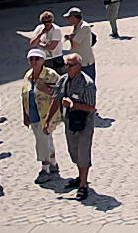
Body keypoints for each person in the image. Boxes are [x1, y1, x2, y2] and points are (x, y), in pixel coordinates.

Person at [44, 53, 96, 200]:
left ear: (79, 67)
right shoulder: (64, 80)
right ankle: (80, 177)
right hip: (70, 121)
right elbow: (56, 100)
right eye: (66, 64)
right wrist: (47, 120)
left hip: (84, 122)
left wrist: (73, 104)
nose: (67, 67)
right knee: (73, 151)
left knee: (83, 151)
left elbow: (92, 108)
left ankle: (83, 184)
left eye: (71, 65)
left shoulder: (88, 83)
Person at [21, 49, 61, 183]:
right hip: (33, 113)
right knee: (46, 139)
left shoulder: (51, 75)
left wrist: (47, 90)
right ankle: (53, 162)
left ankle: (45, 168)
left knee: (42, 140)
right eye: (31, 59)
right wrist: (25, 114)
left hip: (47, 114)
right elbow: (24, 94)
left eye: (37, 59)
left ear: (43, 60)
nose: (34, 61)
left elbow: (61, 93)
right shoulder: (28, 75)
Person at [63, 7, 96, 81]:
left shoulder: (84, 27)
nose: (68, 20)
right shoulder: (76, 26)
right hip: (77, 62)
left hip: (85, 62)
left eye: (69, 17)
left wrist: (71, 38)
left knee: (88, 84)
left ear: (74, 18)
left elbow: (75, 44)